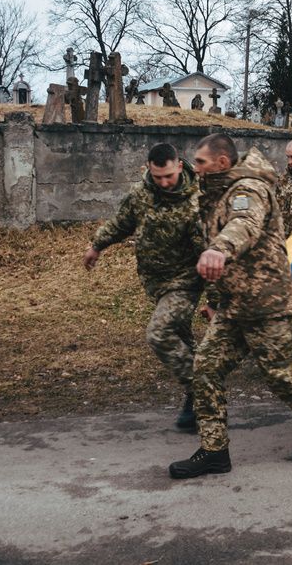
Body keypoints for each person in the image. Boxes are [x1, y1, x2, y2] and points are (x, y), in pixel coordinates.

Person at [169, 133, 292, 478]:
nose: (196, 168)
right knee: (205, 367)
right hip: (236, 304)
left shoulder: (249, 189)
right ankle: (214, 451)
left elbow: (244, 226)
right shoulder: (216, 191)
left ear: (222, 162)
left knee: (280, 374)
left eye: (202, 162)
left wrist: (219, 249)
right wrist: (216, 300)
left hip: (266, 302)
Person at [84, 143, 205, 432]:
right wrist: (97, 245)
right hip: (156, 283)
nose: (164, 182)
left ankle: (205, 389)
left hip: (185, 283)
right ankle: (197, 404)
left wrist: (215, 298)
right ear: (149, 170)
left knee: (159, 333)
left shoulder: (196, 201)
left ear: (178, 166)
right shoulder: (142, 193)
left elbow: (208, 253)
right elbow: (122, 222)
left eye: (168, 176)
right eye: (157, 177)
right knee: (182, 340)